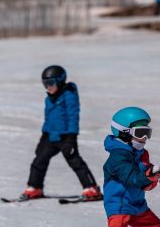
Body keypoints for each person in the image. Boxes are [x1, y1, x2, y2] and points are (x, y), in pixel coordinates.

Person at [20, 65, 101, 201]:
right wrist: (43, 136)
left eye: (51, 83)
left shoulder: (69, 96)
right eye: (45, 84)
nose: (48, 87)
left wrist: (71, 138)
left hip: (65, 136)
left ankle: (92, 189)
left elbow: (73, 116)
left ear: (60, 81)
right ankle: (35, 188)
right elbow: (49, 119)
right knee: (39, 160)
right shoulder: (48, 98)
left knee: (75, 161)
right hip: (50, 135)